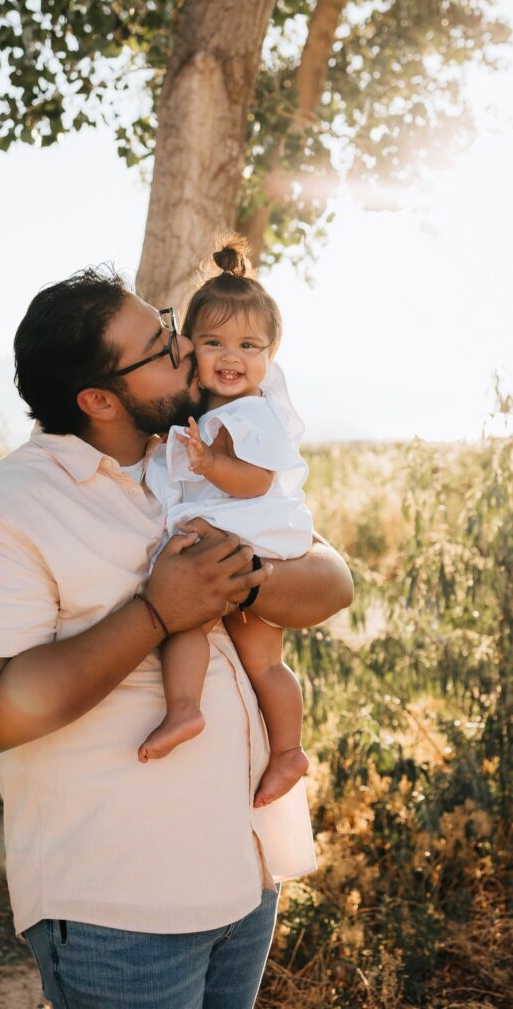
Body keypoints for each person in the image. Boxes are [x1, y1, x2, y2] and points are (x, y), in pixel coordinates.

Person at [0, 264, 354, 1009]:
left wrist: (240, 578)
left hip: (246, 872)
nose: (187, 350)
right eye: (161, 345)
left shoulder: (191, 457)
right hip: (121, 909)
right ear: (97, 399)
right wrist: (155, 613)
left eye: (169, 326)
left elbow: (333, 584)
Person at [139, 237, 312, 811]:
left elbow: (257, 480)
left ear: (270, 354)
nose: (230, 356)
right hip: (219, 536)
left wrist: (212, 463)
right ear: (191, 348)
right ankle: (184, 709)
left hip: (251, 534)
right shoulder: (205, 409)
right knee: (185, 619)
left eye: (247, 345)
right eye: (214, 343)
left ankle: (289, 751)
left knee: (264, 659)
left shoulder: (252, 411)